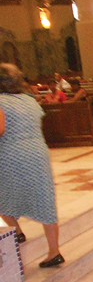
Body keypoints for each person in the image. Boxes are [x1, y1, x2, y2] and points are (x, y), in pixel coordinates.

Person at [0, 63, 63, 267]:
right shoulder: (30, 100)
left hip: (11, 154)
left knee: (3, 195)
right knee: (44, 199)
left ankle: (16, 230)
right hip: (37, 153)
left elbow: (1, 129)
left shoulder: (0, 101)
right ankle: (54, 251)